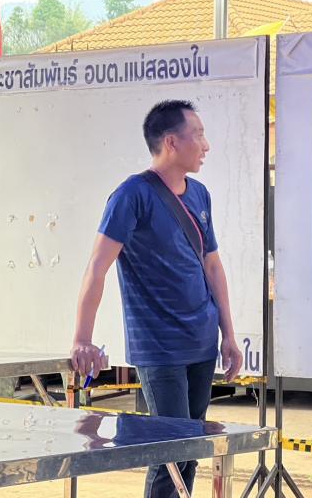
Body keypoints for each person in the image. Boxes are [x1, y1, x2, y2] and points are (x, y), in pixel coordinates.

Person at [70, 99, 243, 498]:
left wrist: (229, 334)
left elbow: (213, 267)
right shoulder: (132, 196)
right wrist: (82, 338)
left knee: (191, 451)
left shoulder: (199, 195)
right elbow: (97, 267)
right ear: (171, 142)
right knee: (170, 456)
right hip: (159, 347)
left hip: (201, 342)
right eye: (198, 135)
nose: (206, 145)